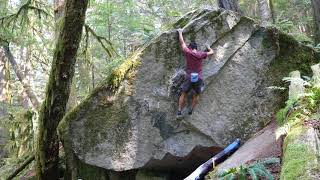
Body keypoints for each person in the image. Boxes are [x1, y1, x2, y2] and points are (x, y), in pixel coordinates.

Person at [176, 28, 214, 119]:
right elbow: (212, 52)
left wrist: (180, 32)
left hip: (189, 77)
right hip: (198, 78)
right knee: (197, 94)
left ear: (190, 48)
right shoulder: (201, 54)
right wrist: (208, 48)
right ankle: (191, 109)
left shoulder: (188, 52)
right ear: (196, 48)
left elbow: (182, 43)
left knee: (184, 94)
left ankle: (179, 111)